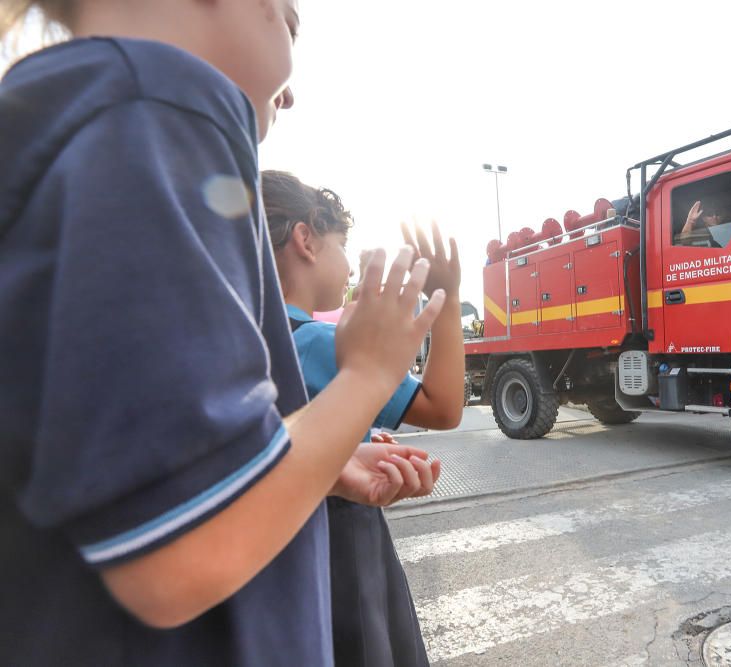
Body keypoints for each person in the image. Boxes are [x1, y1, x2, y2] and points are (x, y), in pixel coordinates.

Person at [0, 2, 444, 665]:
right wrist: (369, 371)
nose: (289, 93)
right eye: (289, 23)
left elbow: (137, 474)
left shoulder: (81, 115)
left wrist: (315, 466)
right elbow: (179, 552)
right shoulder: (155, 110)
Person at [262, 170, 465, 667]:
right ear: (305, 239)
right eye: (341, 243)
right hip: (344, 555)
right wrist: (447, 297)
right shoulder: (312, 342)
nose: (349, 263)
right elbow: (443, 406)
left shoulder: (252, 333)